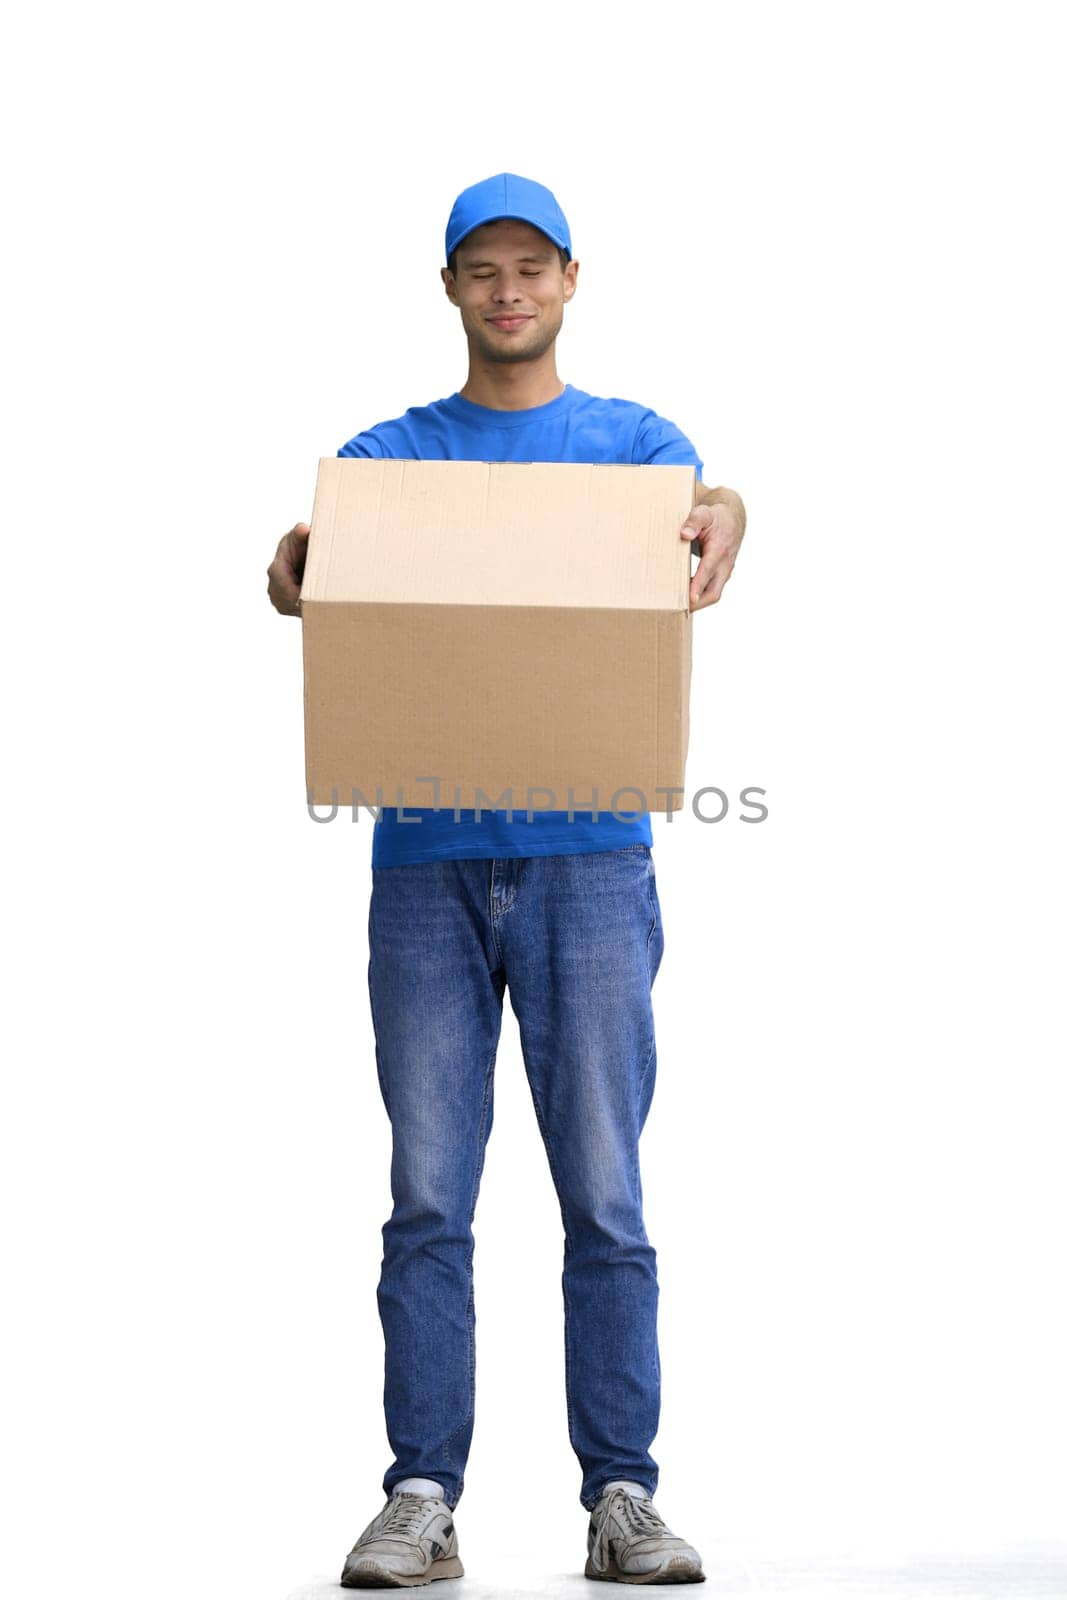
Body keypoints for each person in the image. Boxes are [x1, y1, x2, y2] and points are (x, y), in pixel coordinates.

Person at [267, 173, 746, 1588]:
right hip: (424, 862)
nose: (508, 290)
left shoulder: (634, 444)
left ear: (571, 280)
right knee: (429, 1193)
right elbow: (309, 572)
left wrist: (735, 509)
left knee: (604, 1194)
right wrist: (292, 573)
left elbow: (705, 504)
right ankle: (421, 1494)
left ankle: (623, 1496)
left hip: (592, 863)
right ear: (452, 291)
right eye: (482, 270)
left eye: (530, 266)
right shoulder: (390, 453)